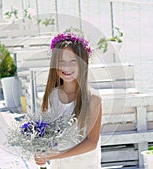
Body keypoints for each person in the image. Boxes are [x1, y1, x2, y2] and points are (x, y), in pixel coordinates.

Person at [34, 32, 102, 169]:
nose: (66, 68)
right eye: (61, 62)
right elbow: (45, 132)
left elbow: (91, 143)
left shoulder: (93, 99)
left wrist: (54, 155)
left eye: (73, 62)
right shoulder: (51, 97)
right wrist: (40, 151)